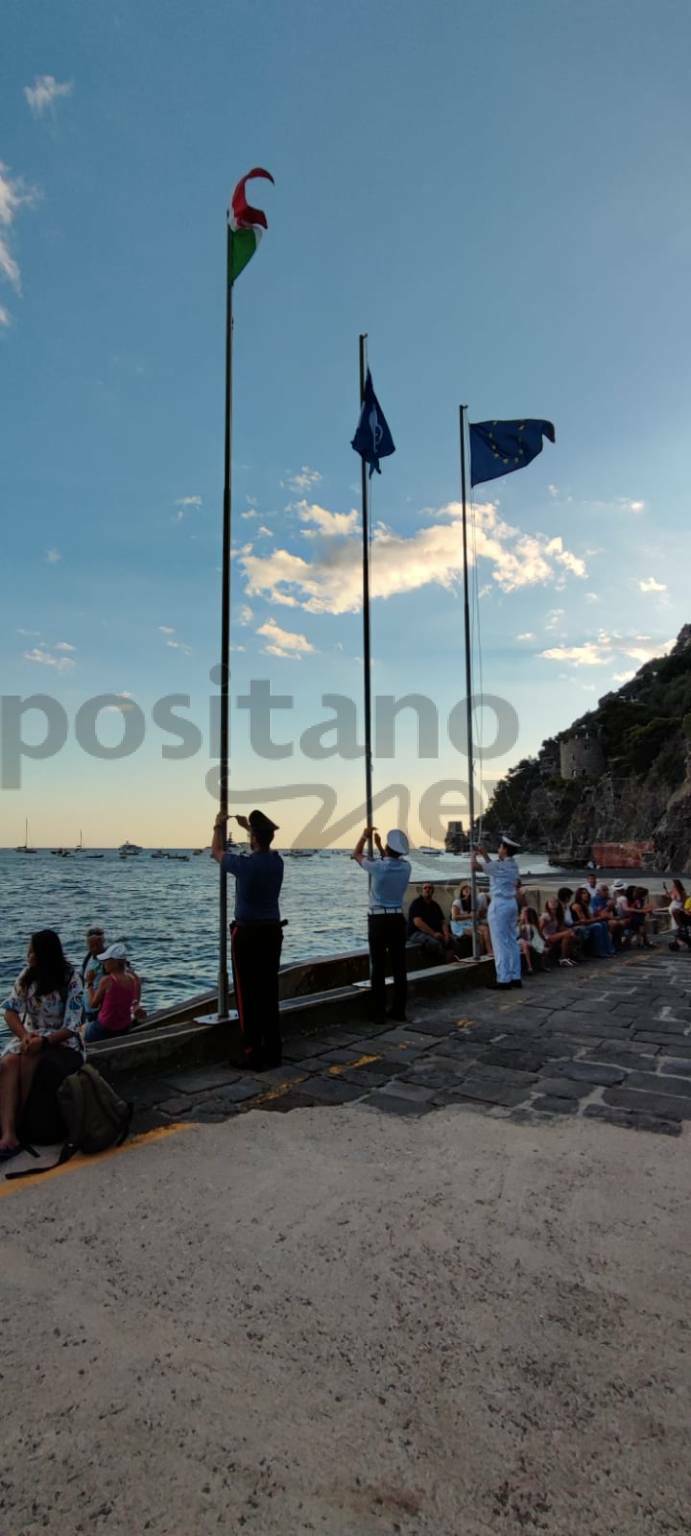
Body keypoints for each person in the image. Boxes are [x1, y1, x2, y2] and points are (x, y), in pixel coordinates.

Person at [0, 930, 84, 1162]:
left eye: (32, 950)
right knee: (7, 1063)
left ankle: (21, 1120)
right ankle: (8, 1134)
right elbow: (10, 1010)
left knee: (29, 1061)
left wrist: (44, 1041)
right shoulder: (27, 977)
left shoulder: (70, 978)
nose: (29, 954)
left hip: (61, 1039)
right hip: (31, 1037)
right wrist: (25, 1035)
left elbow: (72, 1025)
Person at [212, 808, 285, 1072]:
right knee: (269, 992)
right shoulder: (277, 862)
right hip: (272, 932)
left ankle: (252, 1052)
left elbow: (217, 853)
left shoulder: (244, 865)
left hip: (248, 934)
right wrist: (249, 829)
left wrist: (217, 827)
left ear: (253, 837)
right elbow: (261, 845)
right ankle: (273, 1050)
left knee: (247, 995)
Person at [352, 825, 411, 1024]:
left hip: (378, 919)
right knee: (399, 966)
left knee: (378, 967)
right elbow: (389, 859)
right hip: (397, 919)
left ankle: (378, 1012)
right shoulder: (406, 868)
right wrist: (377, 845)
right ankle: (399, 1010)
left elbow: (357, 854)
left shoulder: (378, 867)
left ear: (387, 847)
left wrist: (364, 836)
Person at [472, 834, 522, 988]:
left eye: (500, 847)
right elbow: (493, 868)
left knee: (500, 943)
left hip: (499, 905)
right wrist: (484, 854)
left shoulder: (499, 866)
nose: (498, 849)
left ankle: (503, 979)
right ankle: (515, 976)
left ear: (505, 850)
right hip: (511, 904)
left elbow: (475, 867)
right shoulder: (512, 865)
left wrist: (473, 855)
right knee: (512, 941)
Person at [84, 943, 141, 1042]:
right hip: (124, 1027)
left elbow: (93, 1004)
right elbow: (135, 1001)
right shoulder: (133, 978)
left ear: (115, 962)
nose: (103, 963)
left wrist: (89, 983)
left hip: (104, 1028)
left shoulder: (107, 981)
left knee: (83, 1031)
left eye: (106, 960)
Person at [407, 883, 460, 964]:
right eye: (425, 888)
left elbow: (442, 922)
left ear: (432, 891)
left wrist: (446, 935)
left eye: (430, 888)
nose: (427, 889)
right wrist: (433, 933)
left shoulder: (435, 905)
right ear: (422, 890)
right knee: (435, 943)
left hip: (435, 931)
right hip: (416, 932)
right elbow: (418, 923)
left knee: (454, 942)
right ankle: (443, 966)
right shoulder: (417, 903)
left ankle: (453, 964)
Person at [569, 887, 615, 956]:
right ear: (579, 895)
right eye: (583, 893)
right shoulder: (577, 905)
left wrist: (601, 918)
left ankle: (608, 949)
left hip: (586, 924)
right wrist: (600, 918)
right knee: (598, 926)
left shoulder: (585, 905)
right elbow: (584, 921)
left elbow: (591, 918)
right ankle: (598, 951)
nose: (586, 894)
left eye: (586, 893)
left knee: (603, 923)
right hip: (578, 926)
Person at [539, 897, 577, 966]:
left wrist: (570, 931)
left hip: (554, 935)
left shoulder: (558, 915)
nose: (553, 903)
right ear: (547, 904)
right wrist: (544, 941)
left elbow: (560, 928)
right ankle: (563, 958)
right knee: (567, 934)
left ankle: (567, 957)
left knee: (570, 934)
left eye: (555, 902)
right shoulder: (546, 916)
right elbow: (539, 930)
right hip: (547, 936)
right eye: (551, 902)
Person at [81, 923, 106, 1028]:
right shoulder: (88, 959)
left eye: (97, 945)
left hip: (100, 1008)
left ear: (103, 942)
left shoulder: (108, 961)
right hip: (86, 1008)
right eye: (91, 946)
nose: (94, 949)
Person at [519, 906, 546, 974]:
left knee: (542, 946)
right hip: (520, 943)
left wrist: (544, 942)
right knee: (524, 944)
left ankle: (542, 966)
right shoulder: (520, 925)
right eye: (522, 913)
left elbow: (538, 936)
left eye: (523, 913)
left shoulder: (533, 926)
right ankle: (529, 967)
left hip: (531, 942)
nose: (521, 915)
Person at [667, 879, 691, 951]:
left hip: (681, 913)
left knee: (679, 928)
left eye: (674, 885)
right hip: (678, 914)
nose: (672, 886)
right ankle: (678, 941)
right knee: (678, 929)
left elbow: (684, 905)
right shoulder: (673, 891)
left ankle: (679, 941)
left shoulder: (682, 893)